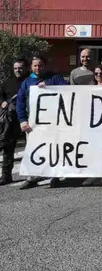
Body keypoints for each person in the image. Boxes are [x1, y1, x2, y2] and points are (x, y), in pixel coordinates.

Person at [17, 56, 67, 190]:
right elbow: (20, 102)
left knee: (53, 148)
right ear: (31, 67)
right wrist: (23, 121)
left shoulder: (55, 78)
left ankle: (54, 176)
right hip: (33, 124)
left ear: (45, 66)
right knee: (33, 150)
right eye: (35, 66)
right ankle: (32, 177)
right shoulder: (27, 82)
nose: (38, 68)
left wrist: (51, 87)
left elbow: (67, 90)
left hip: (53, 121)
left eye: (40, 65)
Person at [0, 59, 28, 185]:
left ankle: (33, 173)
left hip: (27, 119)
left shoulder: (30, 81)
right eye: (16, 68)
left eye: (20, 68)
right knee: (8, 147)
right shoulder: (7, 82)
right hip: (10, 120)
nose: (18, 70)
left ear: (26, 68)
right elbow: (1, 95)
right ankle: (6, 176)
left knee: (30, 146)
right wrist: (3, 102)